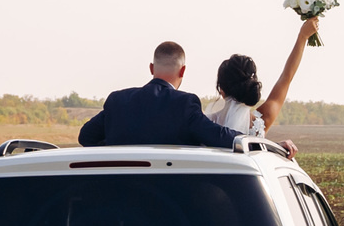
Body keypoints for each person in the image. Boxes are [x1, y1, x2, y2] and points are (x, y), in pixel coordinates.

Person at [76, 41, 242, 150]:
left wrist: (117, 146)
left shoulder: (117, 100)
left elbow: (86, 136)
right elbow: (217, 137)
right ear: (183, 70)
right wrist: (250, 138)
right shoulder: (185, 104)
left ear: (151, 68)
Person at [203, 16, 315, 154]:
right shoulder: (259, 122)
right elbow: (286, 78)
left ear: (221, 90)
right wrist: (302, 36)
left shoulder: (203, 124)